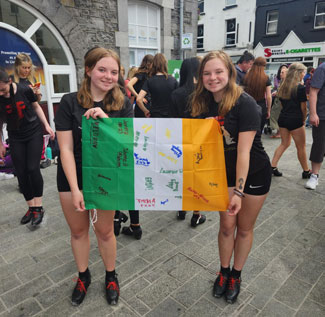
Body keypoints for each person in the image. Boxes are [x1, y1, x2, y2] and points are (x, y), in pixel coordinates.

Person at [190, 51, 271, 304]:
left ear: (229, 73)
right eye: (207, 73)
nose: (213, 78)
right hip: (221, 174)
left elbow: (244, 152)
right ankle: (223, 271)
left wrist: (238, 191)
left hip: (254, 172)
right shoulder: (199, 103)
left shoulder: (244, 102)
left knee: (244, 228)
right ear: (201, 76)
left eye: (218, 72)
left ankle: (236, 274)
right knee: (226, 227)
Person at [54, 47, 133, 306]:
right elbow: (64, 148)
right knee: (78, 232)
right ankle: (83, 276)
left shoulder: (123, 103)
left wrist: (107, 120)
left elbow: (128, 144)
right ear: (88, 70)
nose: (108, 76)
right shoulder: (69, 102)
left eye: (114, 72)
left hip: (105, 177)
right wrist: (76, 189)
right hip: (72, 177)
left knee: (105, 231)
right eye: (102, 69)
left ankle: (111, 275)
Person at [0, 69, 55, 225]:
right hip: (15, 136)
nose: (1, 93)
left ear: (9, 81)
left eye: (2, 89)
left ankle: (38, 207)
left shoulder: (24, 90)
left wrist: (47, 126)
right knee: (21, 172)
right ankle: (31, 208)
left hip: (33, 133)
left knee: (32, 168)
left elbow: (36, 107)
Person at [169, 57, 206, 227]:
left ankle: (181, 208)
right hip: (199, 142)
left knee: (182, 176)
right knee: (197, 178)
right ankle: (196, 214)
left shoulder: (176, 93)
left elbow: (172, 120)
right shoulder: (203, 93)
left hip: (180, 141)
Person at [270, 63, 311, 179]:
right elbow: (303, 107)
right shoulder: (300, 88)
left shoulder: (283, 86)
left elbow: (282, 104)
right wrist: (303, 119)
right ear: (298, 73)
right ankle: (306, 171)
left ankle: (272, 166)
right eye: (303, 72)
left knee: (284, 143)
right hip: (295, 119)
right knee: (301, 147)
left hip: (283, 118)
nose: (304, 74)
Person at [137, 53, 178, 118]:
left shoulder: (149, 80)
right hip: (170, 115)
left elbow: (139, 99)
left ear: (153, 64)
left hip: (155, 116)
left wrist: (145, 111)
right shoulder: (173, 80)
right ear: (165, 64)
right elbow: (177, 100)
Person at [305, 62, 325, 190]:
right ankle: (314, 175)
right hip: (322, 115)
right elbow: (313, 92)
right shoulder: (322, 69)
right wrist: (313, 113)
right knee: (319, 145)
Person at [243, 57, 272, 132]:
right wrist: (269, 110)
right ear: (264, 66)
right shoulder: (266, 78)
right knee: (258, 132)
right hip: (261, 107)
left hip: (247, 106)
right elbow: (269, 96)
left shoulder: (246, 77)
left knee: (247, 131)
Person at [270, 64, 288, 138]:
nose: (280, 74)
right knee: (275, 116)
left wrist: (277, 93)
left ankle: (279, 133)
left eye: (282, 73)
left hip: (281, 102)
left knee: (277, 116)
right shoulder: (281, 81)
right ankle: (278, 132)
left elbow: (285, 92)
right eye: (280, 72)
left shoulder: (286, 82)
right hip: (278, 101)